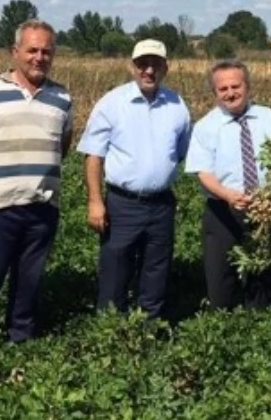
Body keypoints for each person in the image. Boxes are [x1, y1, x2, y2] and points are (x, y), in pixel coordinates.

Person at [0, 19, 74, 342]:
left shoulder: (62, 97)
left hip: (42, 206)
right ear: (15, 51)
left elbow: (61, 145)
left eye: (46, 51)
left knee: (29, 285)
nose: (39, 57)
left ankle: (21, 342)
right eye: (32, 50)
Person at [77, 38, 192, 319]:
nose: (149, 71)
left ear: (166, 67)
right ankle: (111, 328)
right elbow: (93, 155)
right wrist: (95, 201)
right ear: (132, 67)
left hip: (162, 204)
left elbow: (181, 152)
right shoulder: (112, 103)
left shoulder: (177, 105)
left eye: (155, 64)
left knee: (156, 268)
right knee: (115, 267)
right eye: (142, 64)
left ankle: (149, 327)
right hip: (122, 203)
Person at [185, 59, 271, 310]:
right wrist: (227, 195)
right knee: (221, 280)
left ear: (247, 86)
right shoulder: (205, 127)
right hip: (222, 209)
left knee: (264, 275)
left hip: (265, 209)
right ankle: (226, 327)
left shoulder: (270, 119)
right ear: (215, 92)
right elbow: (203, 172)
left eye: (235, 86)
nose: (230, 93)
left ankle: (259, 324)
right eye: (223, 89)